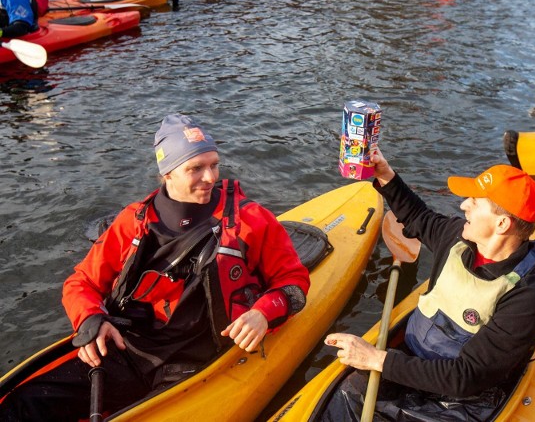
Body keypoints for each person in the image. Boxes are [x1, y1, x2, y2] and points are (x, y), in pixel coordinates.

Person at [0, 114, 311, 421]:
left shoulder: (252, 220)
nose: (211, 177)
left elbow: (293, 282)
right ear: (168, 174)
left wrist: (263, 312)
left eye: (214, 164)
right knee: (21, 405)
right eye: (196, 168)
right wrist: (91, 319)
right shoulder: (132, 221)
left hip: (194, 360)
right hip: (126, 349)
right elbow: (80, 283)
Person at [324, 148, 535, 419]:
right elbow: (420, 217)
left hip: (466, 396)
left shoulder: (527, 298)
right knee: (346, 397)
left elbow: (465, 377)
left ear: (501, 224)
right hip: (415, 359)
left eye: (475, 202)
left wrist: (376, 359)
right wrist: (385, 175)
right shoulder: (458, 237)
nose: (463, 205)